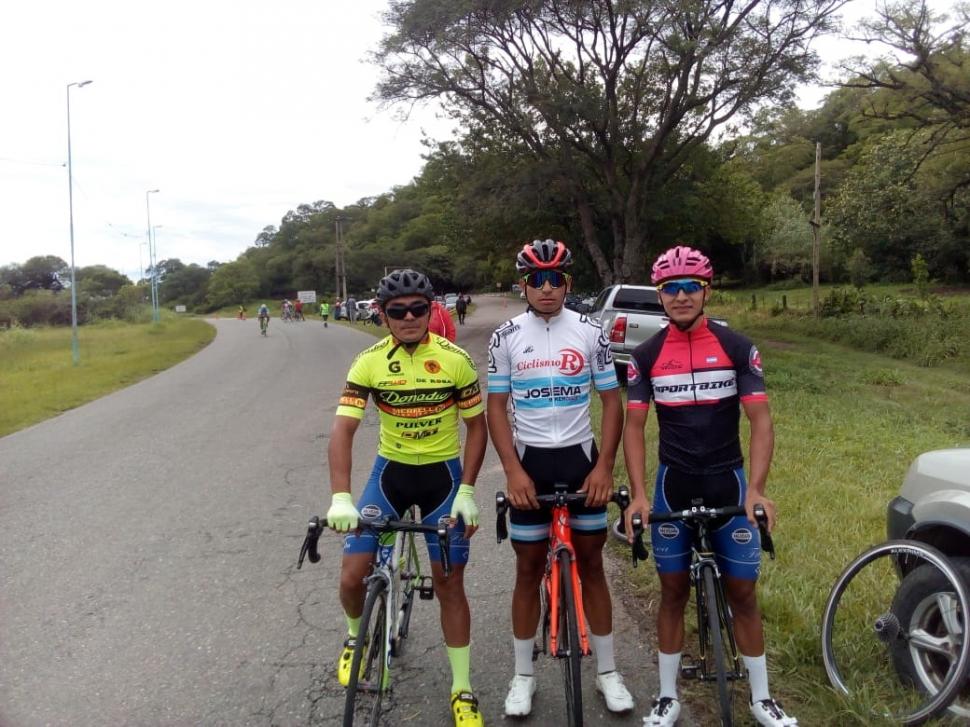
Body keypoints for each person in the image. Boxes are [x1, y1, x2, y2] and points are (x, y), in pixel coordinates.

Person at [621, 246, 795, 727]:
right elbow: (634, 429)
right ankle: (666, 695)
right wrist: (638, 495)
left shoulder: (737, 346)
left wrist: (755, 489)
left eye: (689, 287)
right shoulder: (647, 354)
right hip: (673, 484)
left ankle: (762, 698)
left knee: (743, 592)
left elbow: (760, 421)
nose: (680, 297)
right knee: (672, 590)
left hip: (729, 482)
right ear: (660, 295)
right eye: (669, 289)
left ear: (706, 291)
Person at [325, 269, 488, 727]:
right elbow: (343, 430)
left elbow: (478, 427)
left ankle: (462, 689)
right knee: (353, 574)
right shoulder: (369, 362)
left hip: (443, 479)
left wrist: (469, 490)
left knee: (449, 583)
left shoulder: (455, 359)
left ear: (432, 309)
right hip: (390, 476)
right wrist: (341, 497)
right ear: (384, 315)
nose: (410, 317)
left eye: (419, 308)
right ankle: (356, 636)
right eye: (399, 311)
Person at [486, 239, 634, 717]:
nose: (546, 288)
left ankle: (608, 672)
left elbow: (612, 401)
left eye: (555, 279)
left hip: (580, 460)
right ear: (524, 285)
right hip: (531, 464)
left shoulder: (592, 331)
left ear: (568, 284)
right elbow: (495, 407)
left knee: (592, 566)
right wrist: (512, 471)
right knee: (526, 571)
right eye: (536, 280)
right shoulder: (505, 335)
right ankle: (523, 676)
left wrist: (604, 466)